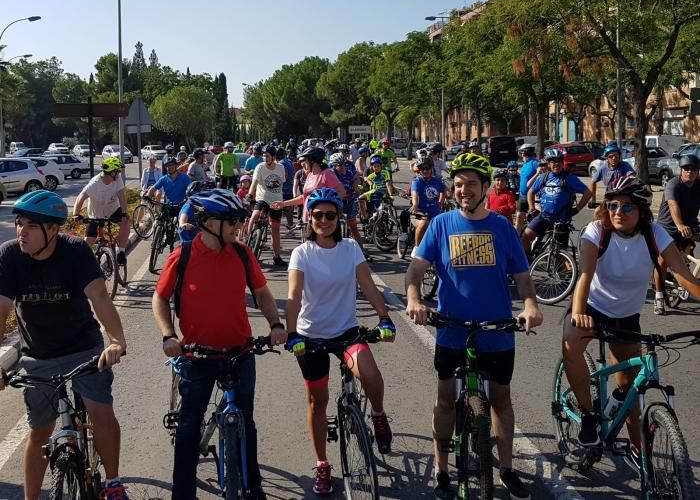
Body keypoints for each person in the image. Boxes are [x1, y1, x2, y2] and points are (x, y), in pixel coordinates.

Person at [405, 153, 543, 500]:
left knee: (500, 399)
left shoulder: (502, 228)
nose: (463, 190)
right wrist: (415, 299)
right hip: (452, 327)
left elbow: (523, 277)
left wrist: (529, 305)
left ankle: (507, 468)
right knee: (445, 400)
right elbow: (415, 271)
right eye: (458, 184)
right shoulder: (440, 225)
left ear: (485, 188)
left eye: (471, 184)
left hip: (496, 330)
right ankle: (441, 468)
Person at [152, 191, 287, 500]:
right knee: (189, 427)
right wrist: (168, 335)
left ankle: (253, 487)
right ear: (210, 223)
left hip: (240, 352)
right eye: (233, 222)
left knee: (246, 423)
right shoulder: (183, 256)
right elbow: (159, 297)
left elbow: (262, 293)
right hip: (197, 355)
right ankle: (183, 494)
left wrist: (276, 325)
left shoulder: (241, 253)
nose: (239, 227)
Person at [562, 175, 700, 470]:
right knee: (571, 344)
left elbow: (682, 274)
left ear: (641, 210)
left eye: (627, 207)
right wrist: (578, 313)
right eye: (612, 205)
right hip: (591, 307)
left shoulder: (654, 234)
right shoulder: (596, 231)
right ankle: (587, 415)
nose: (617, 212)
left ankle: (638, 447)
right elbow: (584, 275)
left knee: (631, 387)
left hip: (626, 315)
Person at [0, 191, 129, 500]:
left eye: (31, 225)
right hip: (38, 355)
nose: (22, 232)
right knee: (40, 432)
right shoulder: (9, 255)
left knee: (100, 411)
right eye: (19, 223)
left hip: (83, 348)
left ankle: (112, 484)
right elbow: (1, 309)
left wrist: (116, 341)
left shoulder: (75, 252)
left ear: (53, 230)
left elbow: (99, 297)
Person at [285, 188, 395, 495]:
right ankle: (322, 464)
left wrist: (384, 317)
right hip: (311, 337)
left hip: (346, 333)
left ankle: (378, 414)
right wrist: (292, 333)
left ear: (338, 218)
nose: (324, 220)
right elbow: (293, 296)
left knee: (370, 374)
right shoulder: (302, 253)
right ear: (310, 219)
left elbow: (368, 286)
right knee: (317, 402)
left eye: (330, 215)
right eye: (317, 215)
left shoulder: (349, 248)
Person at [521, 148, 592, 257]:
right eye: (553, 161)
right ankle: (526, 263)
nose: (556, 164)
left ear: (562, 162)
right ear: (548, 164)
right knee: (526, 236)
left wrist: (577, 209)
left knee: (560, 252)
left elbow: (587, 193)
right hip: (544, 216)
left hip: (561, 219)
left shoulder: (569, 178)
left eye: (559, 161)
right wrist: (532, 209)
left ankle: (564, 271)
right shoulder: (544, 177)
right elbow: (530, 192)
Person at [653, 153, 700, 314]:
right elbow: (673, 206)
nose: (690, 172)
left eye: (693, 169)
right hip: (669, 229)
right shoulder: (673, 184)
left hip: (690, 227)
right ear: (681, 170)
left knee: (689, 257)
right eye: (686, 168)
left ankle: (684, 283)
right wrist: (680, 224)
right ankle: (659, 296)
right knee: (662, 261)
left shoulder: (698, 186)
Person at [73, 157, 130, 268]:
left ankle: (120, 252)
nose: (118, 174)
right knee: (89, 241)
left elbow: (122, 197)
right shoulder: (95, 183)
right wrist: (76, 214)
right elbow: (80, 197)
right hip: (95, 214)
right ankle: (81, 265)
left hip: (113, 210)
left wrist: (124, 214)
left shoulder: (117, 180)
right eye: (117, 171)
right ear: (112, 172)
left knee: (126, 224)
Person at [273, 146, 345, 225]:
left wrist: (326, 207)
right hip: (308, 219)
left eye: (304, 161)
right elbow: (305, 197)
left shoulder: (327, 174)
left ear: (312, 161)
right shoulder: (310, 175)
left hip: (323, 221)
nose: (302, 164)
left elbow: (341, 192)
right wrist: (283, 204)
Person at [248, 144, 287, 267]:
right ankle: (248, 242)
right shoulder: (260, 167)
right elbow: (254, 182)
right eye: (264, 156)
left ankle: (277, 256)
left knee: (275, 229)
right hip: (262, 198)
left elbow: (282, 182)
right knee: (255, 216)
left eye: (268, 156)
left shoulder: (280, 168)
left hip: (276, 201)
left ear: (273, 157)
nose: (265, 158)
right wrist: (250, 194)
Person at [404, 156, 445, 255]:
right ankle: (417, 247)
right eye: (422, 169)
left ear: (431, 168)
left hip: (434, 212)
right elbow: (414, 193)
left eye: (427, 168)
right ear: (419, 170)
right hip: (419, 211)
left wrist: (441, 202)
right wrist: (415, 203)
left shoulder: (436, 181)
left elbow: (444, 191)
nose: (425, 171)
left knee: (444, 226)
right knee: (424, 223)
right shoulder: (417, 181)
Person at [358, 154, 395, 221]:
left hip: (379, 192)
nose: (376, 168)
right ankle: (366, 216)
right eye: (375, 166)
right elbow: (365, 179)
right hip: (372, 191)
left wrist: (390, 194)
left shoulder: (386, 172)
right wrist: (368, 182)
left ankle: (367, 217)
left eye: (378, 166)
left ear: (381, 165)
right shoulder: (369, 173)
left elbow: (388, 184)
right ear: (372, 166)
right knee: (362, 199)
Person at [515, 145, 538, 233]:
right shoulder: (525, 163)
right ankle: (516, 237)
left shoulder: (534, 163)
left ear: (524, 152)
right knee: (519, 216)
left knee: (532, 218)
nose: (520, 154)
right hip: (522, 195)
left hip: (532, 196)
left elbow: (542, 175)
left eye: (521, 152)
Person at [277, 146, 296, 231]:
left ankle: (277, 228)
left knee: (280, 210)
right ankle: (291, 227)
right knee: (289, 212)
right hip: (290, 188)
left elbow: (285, 176)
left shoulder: (281, 163)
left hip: (283, 189)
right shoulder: (289, 162)